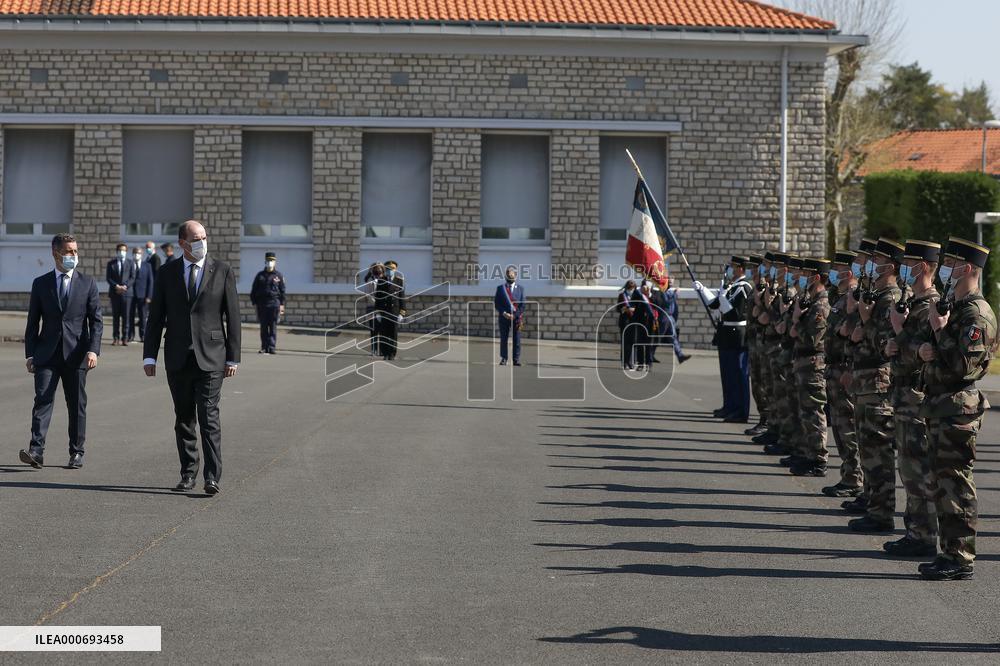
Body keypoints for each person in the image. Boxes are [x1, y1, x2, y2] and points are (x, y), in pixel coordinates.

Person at [916, 237, 996, 581]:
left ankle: (960, 556)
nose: (944, 269)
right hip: (941, 405)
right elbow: (938, 354)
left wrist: (939, 332)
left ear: (966, 269)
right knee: (942, 483)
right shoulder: (957, 308)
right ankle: (949, 551)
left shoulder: (977, 313)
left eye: (950, 264)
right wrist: (927, 347)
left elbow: (964, 366)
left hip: (958, 408)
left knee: (956, 484)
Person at [143, 220, 241, 495]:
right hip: (177, 356)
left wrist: (233, 358)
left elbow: (232, 316)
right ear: (182, 244)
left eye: (204, 237)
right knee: (184, 418)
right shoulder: (167, 273)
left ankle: (212, 476)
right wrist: (148, 356)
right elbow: (156, 317)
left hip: (212, 356)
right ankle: (188, 473)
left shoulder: (221, 270)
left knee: (208, 416)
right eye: (196, 238)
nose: (202, 242)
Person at [19, 233, 102, 470]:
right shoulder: (41, 283)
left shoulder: (88, 283)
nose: (73, 256)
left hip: (77, 355)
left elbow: (96, 322)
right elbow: (33, 322)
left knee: (76, 405)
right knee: (42, 400)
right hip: (47, 354)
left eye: (75, 251)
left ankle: (76, 452)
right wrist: (30, 354)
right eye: (68, 252)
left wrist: (93, 350)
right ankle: (36, 450)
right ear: (55, 254)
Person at [883, 239, 941, 557]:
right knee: (907, 467)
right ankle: (915, 530)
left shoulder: (931, 305)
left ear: (921, 267)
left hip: (916, 397)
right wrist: (891, 344)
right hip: (904, 395)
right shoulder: (912, 303)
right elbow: (900, 350)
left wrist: (899, 335)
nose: (902, 267)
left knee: (917, 468)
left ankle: (922, 535)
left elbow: (924, 354)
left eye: (909, 262)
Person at [848, 237, 904, 534]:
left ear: (890, 266)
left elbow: (886, 345)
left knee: (878, 450)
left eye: (875, 260)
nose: (869, 265)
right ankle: (872, 501)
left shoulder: (890, 298)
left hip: (877, 382)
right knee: (867, 446)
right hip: (865, 379)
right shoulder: (875, 294)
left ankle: (881, 512)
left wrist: (865, 323)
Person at [821, 250, 864, 499]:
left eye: (838, 268)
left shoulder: (855, 299)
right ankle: (849, 474)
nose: (834, 273)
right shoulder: (841, 298)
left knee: (849, 427)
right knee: (840, 426)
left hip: (846, 368)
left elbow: (852, 333)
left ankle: (854, 478)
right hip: (835, 367)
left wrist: (848, 367)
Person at [787, 258, 830, 476]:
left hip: (813, 364)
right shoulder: (811, 302)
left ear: (815, 277)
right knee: (805, 411)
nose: (801, 278)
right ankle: (808, 453)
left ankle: (818, 458)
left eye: (806, 274)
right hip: (805, 363)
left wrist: (796, 322)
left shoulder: (820, 305)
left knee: (813, 411)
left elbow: (812, 338)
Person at [696, 255, 752, 423]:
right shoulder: (731, 286)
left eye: (733, 266)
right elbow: (715, 305)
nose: (729, 269)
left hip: (737, 334)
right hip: (726, 333)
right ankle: (729, 405)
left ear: (741, 268)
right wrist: (702, 291)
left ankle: (740, 409)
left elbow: (735, 312)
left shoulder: (744, 287)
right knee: (727, 373)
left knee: (738, 374)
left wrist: (722, 298)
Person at [250, 251, 286, 354]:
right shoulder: (260, 275)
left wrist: (282, 305)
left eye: (272, 261)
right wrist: (254, 303)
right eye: (268, 260)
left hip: (274, 304)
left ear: (275, 262)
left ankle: (272, 347)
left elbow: (282, 291)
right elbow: (254, 290)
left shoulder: (278, 276)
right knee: (264, 327)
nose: (270, 262)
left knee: (273, 327)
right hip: (262, 305)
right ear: (265, 261)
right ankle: (264, 347)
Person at [653, 276, 691, 364]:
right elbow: (666, 303)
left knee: (673, 338)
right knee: (658, 338)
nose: (671, 282)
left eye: (672, 281)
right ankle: (649, 355)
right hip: (664, 317)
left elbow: (674, 307)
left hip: (670, 318)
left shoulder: (670, 291)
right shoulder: (662, 291)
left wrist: (674, 318)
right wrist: (676, 294)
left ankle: (680, 356)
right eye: (669, 281)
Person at [373, 261, 405, 361]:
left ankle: (392, 353)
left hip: (394, 311)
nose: (390, 271)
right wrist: (377, 312)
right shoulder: (381, 281)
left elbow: (401, 298)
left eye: (392, 269)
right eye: (388, 269)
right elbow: (378, 297)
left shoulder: (399, 281)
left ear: (395, 270)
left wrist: (402, 312)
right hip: (384, 311)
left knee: (393, 334)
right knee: (384, 333)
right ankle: (385, 353)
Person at [106, 242, 135, 346]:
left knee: (126, 317)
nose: (121, 252)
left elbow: (132, 277)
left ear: (126, 252)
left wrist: (125, 286)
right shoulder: (111, 263)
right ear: (117, 251)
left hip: (127, 294)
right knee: (116, 317)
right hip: (115, 293)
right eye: (120, 250)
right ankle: (116, 337)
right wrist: (116, 286)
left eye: (123, 250)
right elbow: (108, 278)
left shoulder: (130, 263)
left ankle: (125, 338)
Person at [494, 266, 525, 366]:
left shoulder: (520, 289)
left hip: (516, 318)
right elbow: (497, 304)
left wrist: (515, 316)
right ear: (506, 276)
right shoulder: (500, 288)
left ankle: (516, 359)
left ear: (516, 276)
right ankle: (504, 358)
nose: (510, 277)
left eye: (512, 275)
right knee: (504, 338)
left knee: (517, 339)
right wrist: (504, 313)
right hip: (504, 317)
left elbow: (522, 305)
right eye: (509, 275)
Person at [128, 246, 154, 343]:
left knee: (143, 317)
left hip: (143, 296)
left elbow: (150, 281)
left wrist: (149, 296)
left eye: (138, 253)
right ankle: (130, 335)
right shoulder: (129, 264)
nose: (136, 255)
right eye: (134, 253)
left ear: (141, 254)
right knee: (130, 316)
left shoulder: (147, 265)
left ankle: (143, 335)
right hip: (130, 295)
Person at [616, 280, 638, 369]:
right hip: (625, 321)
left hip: (634, 321)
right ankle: (625, 362)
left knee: (633, 342)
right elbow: (618, 308)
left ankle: (631, 362)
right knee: (625, 342)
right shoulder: (622, 295)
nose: (631, 290)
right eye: (629, 288)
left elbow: (640, 307)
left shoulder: (637, 295)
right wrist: (624, 309)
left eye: (632, 288)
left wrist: (634, 310)